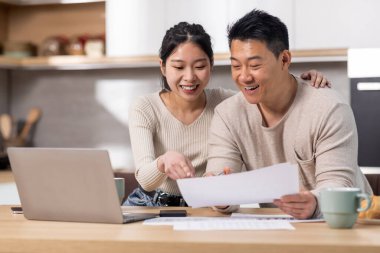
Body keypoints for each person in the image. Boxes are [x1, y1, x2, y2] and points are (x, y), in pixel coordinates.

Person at [124, 21, 331, 207]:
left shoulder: (226, 104)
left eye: (199, 66)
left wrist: (306, 83)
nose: (189, 77)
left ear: (211, 65)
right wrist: (163, 162)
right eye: (178, 67)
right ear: (162, 66)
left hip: (202, 205)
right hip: (149, 203)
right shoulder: (145, 107)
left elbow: (265, 91)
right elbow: (144, 179)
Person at [205, 9, 373, 219]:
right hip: (281, 227)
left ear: (284, 60)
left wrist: (314, 203)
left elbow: (338, 185)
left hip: (349, 225)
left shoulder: (328, 108)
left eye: (255, 65)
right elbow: (220, 179)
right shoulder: (228, 115)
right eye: (236, 66)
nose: (244, 76)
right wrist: (220, 196)